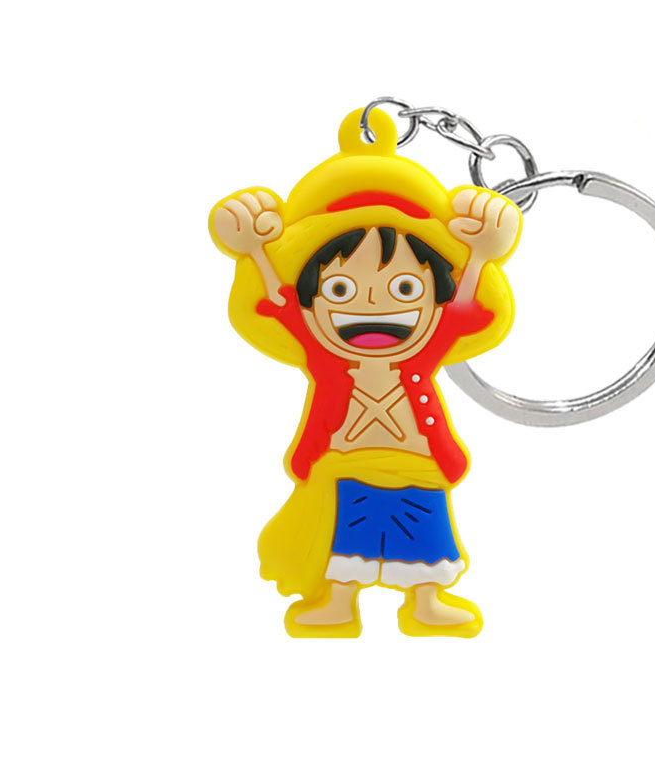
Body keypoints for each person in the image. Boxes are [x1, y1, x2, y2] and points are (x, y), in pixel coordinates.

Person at [209, 108, 521, 637]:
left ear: (435, 295)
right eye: (339, 290)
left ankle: (426, 603)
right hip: (345, 460)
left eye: (405, 288)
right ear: (313, 301)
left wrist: (482, 254)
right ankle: (337, 603)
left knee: (425, 531)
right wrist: (253, 250)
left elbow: (472, 310)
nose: (372, 306)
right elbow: (275, 302)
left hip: (418, 460)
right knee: (348, 532)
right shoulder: (322, 353)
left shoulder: (424, 349)